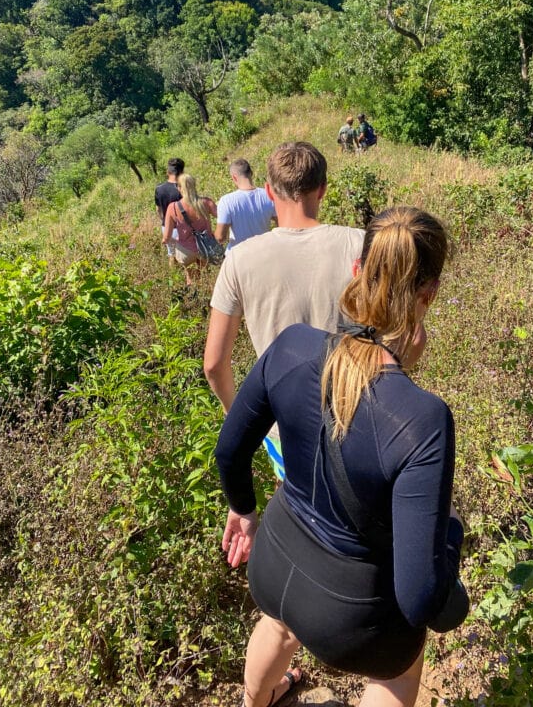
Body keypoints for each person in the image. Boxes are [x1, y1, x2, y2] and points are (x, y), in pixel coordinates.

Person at [215, 207, 468, 707]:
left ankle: (255, 700)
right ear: (429, 293)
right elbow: (421, 602)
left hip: (274, 568)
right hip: (355, 619)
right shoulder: (423, 420)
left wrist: (244, 512)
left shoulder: (292, 347)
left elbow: (229, 452)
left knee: (278, 625)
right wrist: (453, 539)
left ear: (358, 270)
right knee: (398, 673)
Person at [203, 142, 364, 414]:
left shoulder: (239, 259)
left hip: (285, 426)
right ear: (323, 189)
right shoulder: (362, 244)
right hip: (357, 416)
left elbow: (214, 365)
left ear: (269, 191)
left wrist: (241, 419)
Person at [215, 158, 276, 253]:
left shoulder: (226, 201)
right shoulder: (268, 194)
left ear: (234, 177)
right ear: (251, 173)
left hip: (239, 255)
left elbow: (220, 237)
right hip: (264, 252)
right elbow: (281, 224)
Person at [162, 174, 217, 277]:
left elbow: (166, 237)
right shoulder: (206, 202)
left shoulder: (172, 207)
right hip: (205, 247)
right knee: (205, 274)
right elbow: (224, 217)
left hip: (185, 251)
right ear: (194, 185)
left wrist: (165, 241)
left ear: (179, 187)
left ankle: (191, 287)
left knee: (190, 276)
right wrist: (216, 235)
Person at [155, 157, 185, 261]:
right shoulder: (183, 188)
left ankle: (173, 276)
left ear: (168, 171)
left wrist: (164, 221)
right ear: (182, 172)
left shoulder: (159, 188)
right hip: (183, 227)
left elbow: (158, 209)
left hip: (166, 228)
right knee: (187, 256)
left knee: (171, 255)